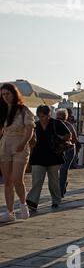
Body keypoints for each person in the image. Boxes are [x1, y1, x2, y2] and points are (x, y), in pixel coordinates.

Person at [0, 83, 35, 222]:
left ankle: (23, 204)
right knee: (7, 180)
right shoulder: (2, 111)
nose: (5, 97)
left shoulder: (23, 110)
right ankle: (9, 212)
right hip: (4, 145)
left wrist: (23, 143)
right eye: (2, 94)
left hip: (20, 145)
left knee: (17, 179)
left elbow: (30, 130)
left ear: (14, 94)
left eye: (7, 94)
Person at [26, 105, 71, 212]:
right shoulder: (35, 126)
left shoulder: (56, 123)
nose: (41, 119)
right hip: (38, 157)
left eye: (43, 116)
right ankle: (32, 202)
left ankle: (56, 200)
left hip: (54, 156)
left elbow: (68, 135)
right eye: (39, 116)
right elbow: (30, 142)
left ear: (49, 115)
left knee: (54, 181)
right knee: (37, 181)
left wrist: (59, 137)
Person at [56, 109, 78, 198]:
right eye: (58, 119)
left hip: (69, 150)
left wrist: (65, 140)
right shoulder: (55, 126)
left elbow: (75, 139)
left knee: (63, 170)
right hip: (59, 150)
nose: (59, 121)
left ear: (65, 118)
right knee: (59, 171)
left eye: (61, 119)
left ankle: (60, 192)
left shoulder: (69, 126)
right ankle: (63, 184)